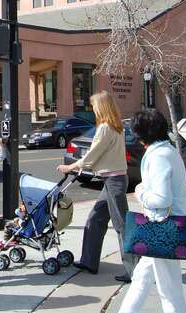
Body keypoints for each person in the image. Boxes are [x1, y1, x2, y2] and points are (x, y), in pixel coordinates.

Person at [97, 109, 186, 313]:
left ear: (142, 133)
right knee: (141, 277)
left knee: (170, 292)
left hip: (163, 230)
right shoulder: (167, 151)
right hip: (163, 229)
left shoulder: (159, 157)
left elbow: (162, 199)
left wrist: (140, 192)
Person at [56, 91, 134, 283]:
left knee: (121, 225)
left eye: (94, 106)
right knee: (95, 219)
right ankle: (89, 261)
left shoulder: (105, 128)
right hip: (113, 180)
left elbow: (92, 154)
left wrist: (71, 167)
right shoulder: (116, 126)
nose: (93, 110)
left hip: (114, 181)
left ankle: (133, 270)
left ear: (101, 107)